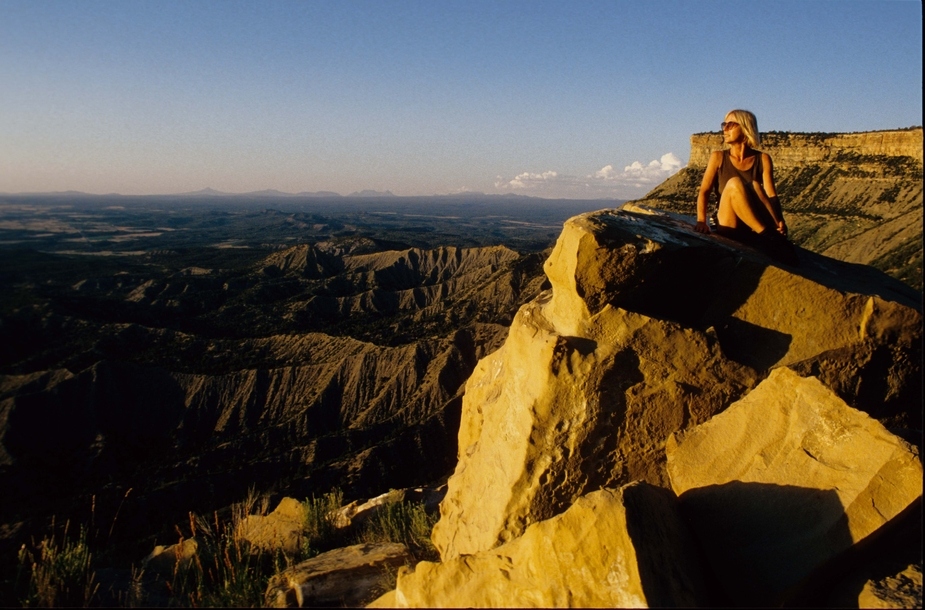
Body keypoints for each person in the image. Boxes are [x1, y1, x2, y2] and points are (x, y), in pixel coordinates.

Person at [693, 109, 798, 265]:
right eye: (724, 124)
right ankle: (767, 236)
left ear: (745, 127)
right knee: (735, 183)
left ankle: (776, 236)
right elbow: (704, 191)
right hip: (728, 223)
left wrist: (780, 220)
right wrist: (701, 221)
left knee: (755, 185)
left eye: (730, 125)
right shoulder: (718, 157)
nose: (724, 129)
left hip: (750, 224)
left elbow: (771, 194)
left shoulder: (763, 158)